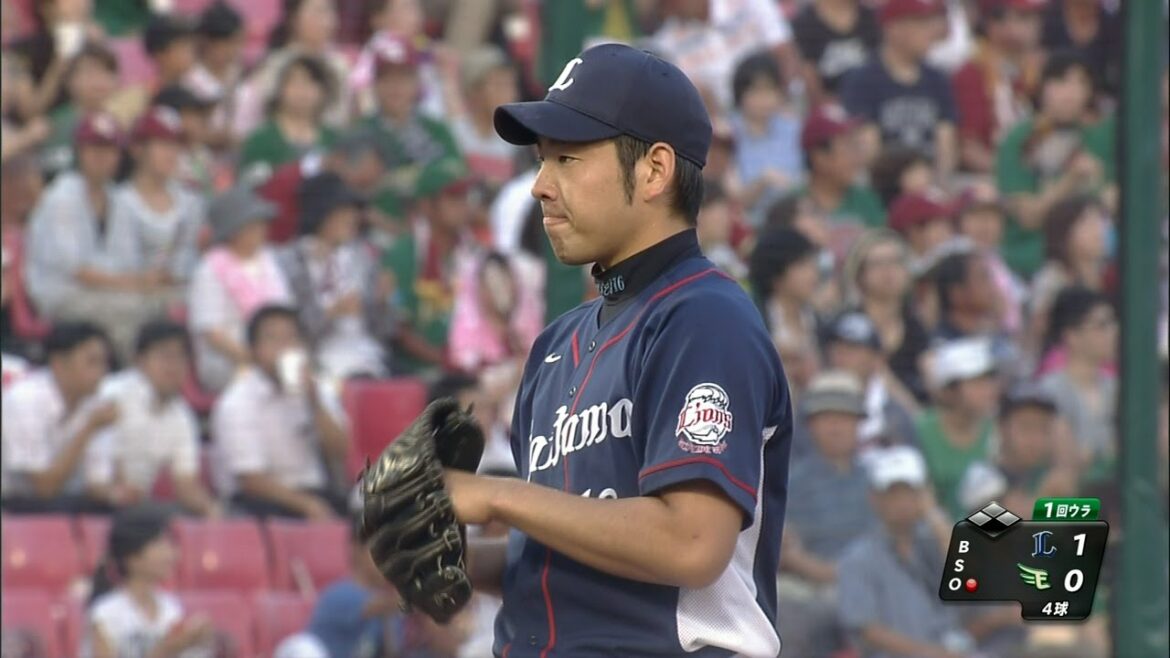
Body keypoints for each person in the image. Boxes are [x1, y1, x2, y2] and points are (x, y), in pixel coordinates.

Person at [437, 43, 792, 657]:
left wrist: (496, 495)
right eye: (541, 161)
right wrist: (447, 557)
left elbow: (691, 543)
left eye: (567, 159)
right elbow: (563, 554)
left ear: (655, 170)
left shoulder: (703, 317)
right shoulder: (556, 344)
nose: (540, 187)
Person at [25, 113, 173, 360]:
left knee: (169, 302)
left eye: (109, 149)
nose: (101, 156)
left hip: (103, 291)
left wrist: (151, 278)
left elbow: (130, 259)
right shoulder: (61, 197)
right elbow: (78, 271)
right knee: (134, 311)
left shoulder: (117, 198)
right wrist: (137, 283)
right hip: (60, 294)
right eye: (94, 148)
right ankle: (130, 381)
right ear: (80, 152)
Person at [211, 304, 350, 520]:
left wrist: (314, 402)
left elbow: (339, 452)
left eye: (291, 338)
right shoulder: (237, 402)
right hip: (260, 501)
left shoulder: (316, 391)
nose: (284, 348)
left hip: (315, 491)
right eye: (273, 339)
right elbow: (251, 481)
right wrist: (307, 505)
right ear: (254, 350)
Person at [837, 445, 973, 658]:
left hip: (949, 647)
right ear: (875, 498)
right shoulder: (858, 558)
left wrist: (933, 515)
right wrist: (933, 653)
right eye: (892, 494)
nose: (901, 503)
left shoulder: (933, 542)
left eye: (909, 493)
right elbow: (868, 631)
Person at [780, 370, 876, 658]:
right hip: (808, 587)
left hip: (872, 583)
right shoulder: (788, 483)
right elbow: (787, 553)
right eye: (826, 417)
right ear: (811, 425)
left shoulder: (880, 479)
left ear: (860, 423)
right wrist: (831, 575)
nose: (835, 427)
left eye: (845, 417)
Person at [995, 51, 1114, 277]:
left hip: (1096, 259)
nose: (1071, 92)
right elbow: (1028, 217)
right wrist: (1069, 181)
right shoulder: (1020, 139)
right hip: (1033, 257)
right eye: (1061, 81)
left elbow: (1117, 200)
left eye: (1081, 83)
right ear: (1043, 87)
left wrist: (1097, 185)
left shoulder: (1100, 136)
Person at [93, 320, 220, 518]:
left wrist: (211, 510)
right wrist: (120, 493)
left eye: (181, 358)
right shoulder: (112, 395)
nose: (174, 366)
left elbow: (185, 483)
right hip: (96, 499)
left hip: (136, 505)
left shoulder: (182, 415)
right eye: (165, 356)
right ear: (140, 361)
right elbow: (100, 470)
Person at [277, 172, 394, 380]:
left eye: (353, 211)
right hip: (319, 363)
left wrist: (381, 303)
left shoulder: (362, 255)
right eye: (343, 211)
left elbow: (384, 332)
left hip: (369, 360)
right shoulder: (291, 262)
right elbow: (291, 334)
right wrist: (332, 312)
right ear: (321, 213)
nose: (352, 218)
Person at [1, 322, 118, 514]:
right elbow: (43, 489)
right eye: (92, 362)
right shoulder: (25, 399)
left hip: (64, 500)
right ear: (59, 364)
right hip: (13, 501)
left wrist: (117, 495)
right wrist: (89, 428)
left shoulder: (96, 403)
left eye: (104, 363)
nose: (101, 372)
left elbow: (97, 484)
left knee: (132, 516)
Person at [187, 186, 291, 393]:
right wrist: (257, 360)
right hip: (227, 359)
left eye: (262, 224)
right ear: (233, 231)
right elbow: (212, 333)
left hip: (272, 354)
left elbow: (284, 312)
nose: (261, 230)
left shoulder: (268, 260)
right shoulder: (209, 269)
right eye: (253, 225)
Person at [381, 157, 478, 375]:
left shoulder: (474, 253)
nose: (464, 206)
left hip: (469, 365)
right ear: (426, 205)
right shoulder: (403, 255)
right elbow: (399, 330)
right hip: (415, 371)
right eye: (453, 198)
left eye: (465, 197)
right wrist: (446, 361)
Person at [839, 0, 958, 176]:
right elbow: (868, 151)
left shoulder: (937, 79)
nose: (930, 31)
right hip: (885, 186)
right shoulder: (863, 79)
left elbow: (946, 142)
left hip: (930, 182)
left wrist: (937, 184)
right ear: (893, 28)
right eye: (921, 23)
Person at [83, 506, 216, 658]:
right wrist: (166, 651)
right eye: (159, 544)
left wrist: (198, 644)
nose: (171, 554)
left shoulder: (171, 609)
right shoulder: (106, 615)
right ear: (132, 558)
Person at [950, 0, 1046, 174]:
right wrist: (1013, 176)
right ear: (991, 23)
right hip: (988, 178)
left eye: (1029, 18)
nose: (1019, 28)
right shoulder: (972, 73)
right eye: (1019, 17)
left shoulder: (1044, 70)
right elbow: (969, 149)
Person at [1039, 286, 1117, 485]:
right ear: (1071, 335)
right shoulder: (1050, 390)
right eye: (1102, 325)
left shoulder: (1115, 388)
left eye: (1113, 323)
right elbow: (1068, 460)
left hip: (1115, 498)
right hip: (1074, 502)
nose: (1114, 332)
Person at [843, 229, 932, 402]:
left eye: (896, 262)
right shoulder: (848, 326)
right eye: (877, 264)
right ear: (860, 274)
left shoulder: (916, 327)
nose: (888, 271)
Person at [916, 337, 1001, 518]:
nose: (988, 390)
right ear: (949, 391)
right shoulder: (921, 431)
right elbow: (922, 500)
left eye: (988, 381)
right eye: (977, 384)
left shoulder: (997, 432)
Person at [822, 311, 920, 449]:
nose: (840, 355)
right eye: (836, 348)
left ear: (877, 360)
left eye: (852, 349)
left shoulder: (895, 414)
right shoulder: (810, 405)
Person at [1028, 195, 1111, 357]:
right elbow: (1039, 332)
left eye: (1100, 222)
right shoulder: (1051, 279)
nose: (1099, 231)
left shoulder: (1105, 275)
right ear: (1065, 232)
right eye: (1088, 223)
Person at [238, 54, 338, 185]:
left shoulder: (334, 140)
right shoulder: (260, 141)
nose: (302, 90)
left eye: (310, 82)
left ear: (323, 91)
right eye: (294, 82)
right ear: (280, 89)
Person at [728, 50, 802, 222]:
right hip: (752, 221)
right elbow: (735, 200)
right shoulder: (728, 135)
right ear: (740, 93)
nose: (764, 99)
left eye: (770, 90)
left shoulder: (793, 129)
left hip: (795, 217)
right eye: (756, 91)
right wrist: (763, 182)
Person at [749, 226, 822, 393]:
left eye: (813, 263)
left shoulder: (819, 321)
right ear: (776, 272)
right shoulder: (753, 320)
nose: (813, 273)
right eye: (802, 265)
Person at [37, 41, 119, 178]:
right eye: (90, 72)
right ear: (69, 80)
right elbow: (53, 171)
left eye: (107, 71)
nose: (100, 79)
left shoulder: (116, 123)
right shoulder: (57, 123)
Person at [791, 0, 881, 103]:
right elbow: (808, 71)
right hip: (830, 104)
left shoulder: (873, 16)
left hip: (874, 99)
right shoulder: (805, 23)